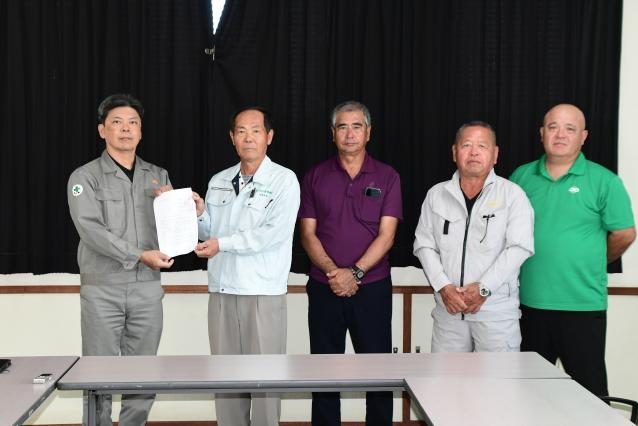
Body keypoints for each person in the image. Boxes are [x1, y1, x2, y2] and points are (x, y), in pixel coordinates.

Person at [510, 103, 636, 396]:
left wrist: (596, 259)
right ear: (542, 133)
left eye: (570, 128)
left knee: (590, 395)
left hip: (582, 306)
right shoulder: (521, 177)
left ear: (583, 136)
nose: (560, 134)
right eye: (553, 127)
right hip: (530, 305)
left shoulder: (605, 181)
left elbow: (625, 234)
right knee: (528, 394)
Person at [67, 93, 174, 425]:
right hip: (103, 290)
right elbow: (91, 230)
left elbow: (173, 227)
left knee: (143, 375)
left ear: (141, 131)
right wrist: (139, 255)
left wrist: (190, 210)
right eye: (117, 122)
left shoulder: (158, 176)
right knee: (98, 374)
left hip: (147, 291)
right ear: (103, 130)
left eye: (133, 123)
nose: (126, 129)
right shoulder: (84, 178)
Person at [193, 107, 300, 426]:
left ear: (269, 136)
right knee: (225, 381)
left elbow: (271, 234)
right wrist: (198, 214)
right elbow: (208, 233)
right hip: (222, 292)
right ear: (232, 137)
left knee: (266, 381)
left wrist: (221, 243)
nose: (248, 137)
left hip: (262, 292)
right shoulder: (219, 180)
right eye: (241, 131)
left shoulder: (284, 180)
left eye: (255, 131)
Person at [299, 100, 402, 426]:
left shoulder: (387, 176)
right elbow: (307, 234)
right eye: (342, 127)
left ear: (368, 132)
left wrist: (354, 273)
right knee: (324, 374)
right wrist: (335, 273)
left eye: (357, 126)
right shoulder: (315, 176)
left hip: (372, 288)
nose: (350, 134)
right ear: (333, 133)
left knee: (379, 374)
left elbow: (387, 235)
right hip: (324, 286)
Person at [413, 121, 534, 353]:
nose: (474, 152)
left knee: (499, 377)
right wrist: (444, 287)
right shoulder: (436, 195)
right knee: (445, 377)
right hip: (448, 312)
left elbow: (519, 247)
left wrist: (484, 289)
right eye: (466, 145)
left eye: (482, 146)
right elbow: (424, 245)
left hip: (496, 315)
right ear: (454, 152)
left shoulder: (512, 195)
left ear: (495, 154)